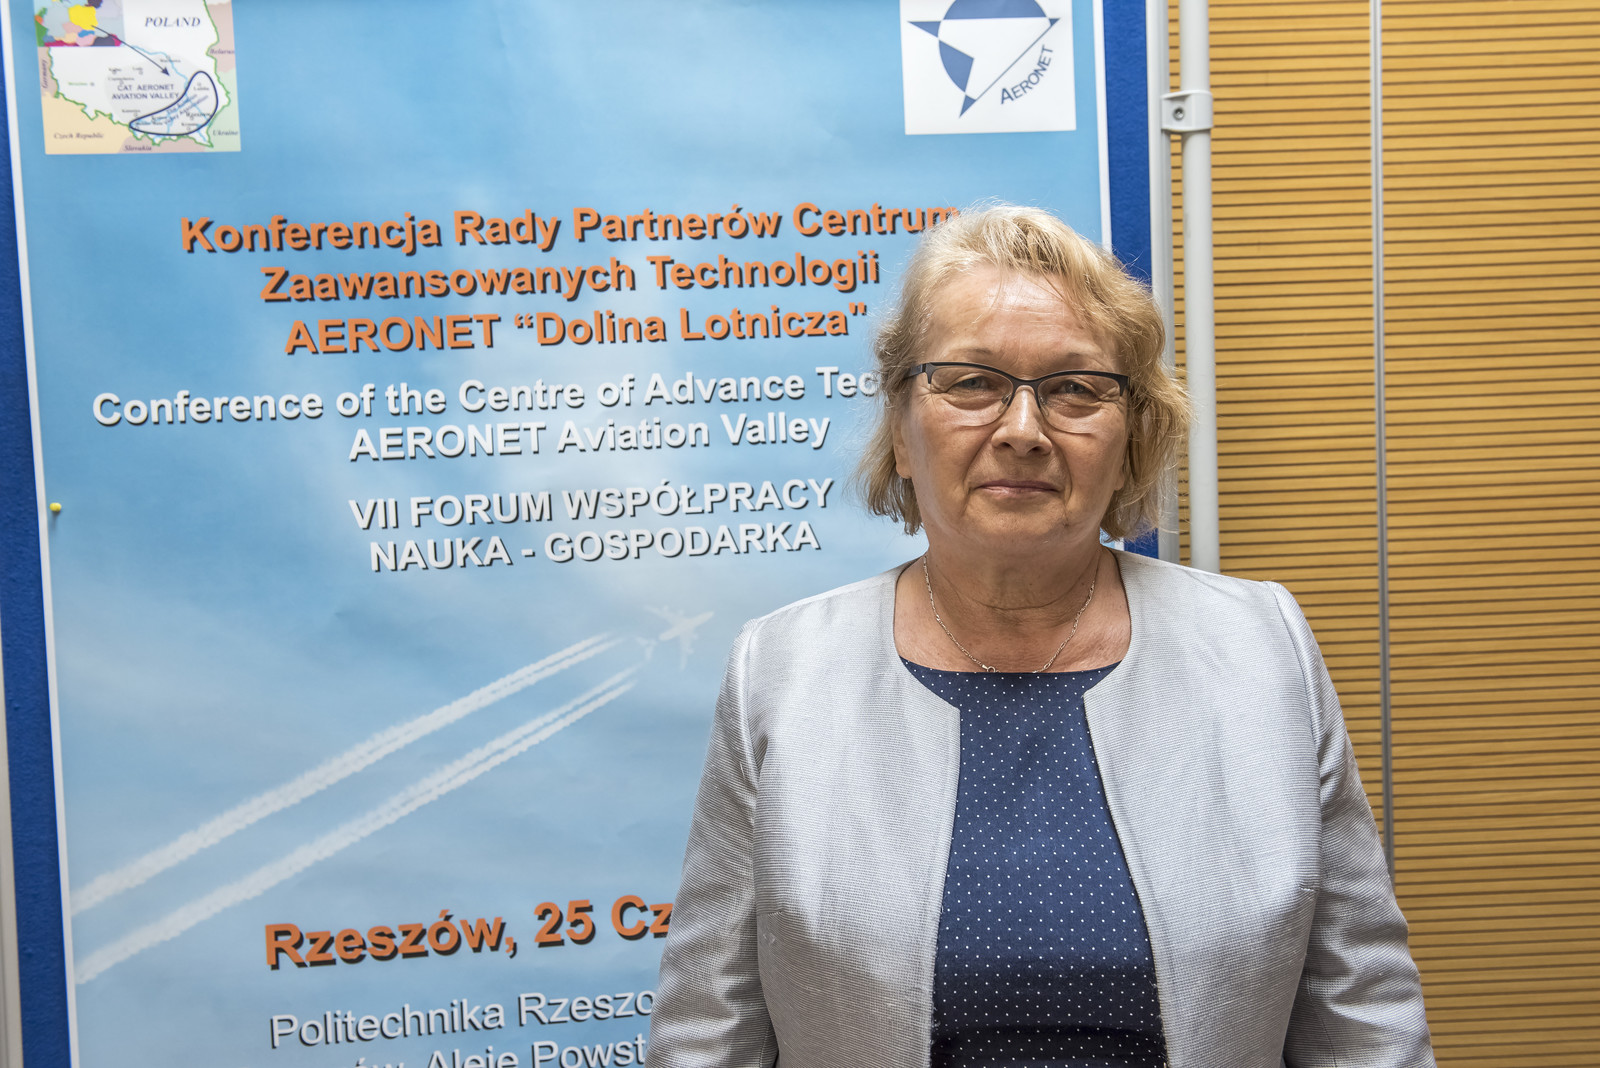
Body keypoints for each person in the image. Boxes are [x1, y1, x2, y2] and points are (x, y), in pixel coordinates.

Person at [647, 204, 1434, 1068]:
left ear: (1130, 440)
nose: (1023, 430)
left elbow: (1364, 1020)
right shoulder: (782, 672)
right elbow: (709, 1032)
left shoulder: (1262, 649)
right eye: (971, 382)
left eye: (1075, 389)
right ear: (902, 432)